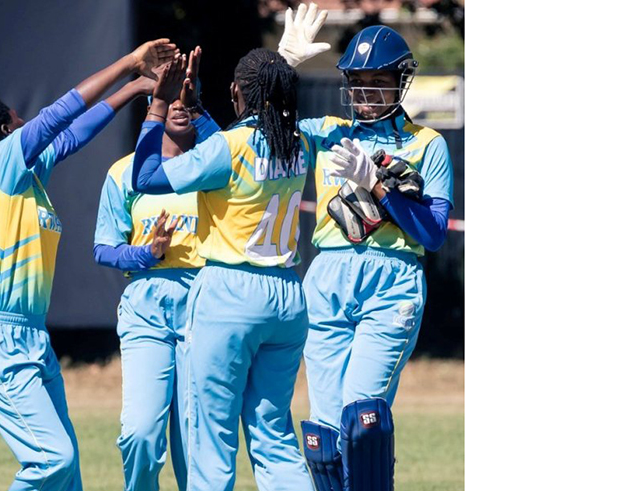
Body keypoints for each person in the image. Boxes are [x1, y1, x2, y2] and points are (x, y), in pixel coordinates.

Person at [0, 39, 177, 491]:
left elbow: (74, 133)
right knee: (52, 460)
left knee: (67, 475)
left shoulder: (22, 176)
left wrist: (136, 88)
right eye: (19, 118)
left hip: (29, 336)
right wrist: (129, 63)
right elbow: (61, 114)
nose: (27, 123)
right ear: (5, 129)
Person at [131, 48, 316, 491]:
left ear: (236, 90)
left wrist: (159, 105)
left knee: (210, 440)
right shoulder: (298, 141)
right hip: (286, 294)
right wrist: (196, 109)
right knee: (274, 436)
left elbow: (146, 177)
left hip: (229, 293)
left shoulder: (229, 146)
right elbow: (239, 147)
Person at [288, 23, 455, 491]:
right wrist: (281, 70)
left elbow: (433, 233)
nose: (365, 91)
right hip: (327, 278)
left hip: (392, 280)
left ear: (401, 81)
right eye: (357, 81)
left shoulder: (428, 143)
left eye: (377, 80)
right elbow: (256, 136)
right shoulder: (327, 133)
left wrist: (378, 186)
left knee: (361, 421)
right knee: (324, 434)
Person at [92, 47, 221, 491]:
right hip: (146, 310)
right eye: (170, 95)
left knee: (195, 445)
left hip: (206, 307)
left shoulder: (216, 166)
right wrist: (147, 253)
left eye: (189, 93)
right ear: (154, 103)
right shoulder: (124, 172)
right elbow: (104, 249)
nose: (180, 105)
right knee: (141, 434)